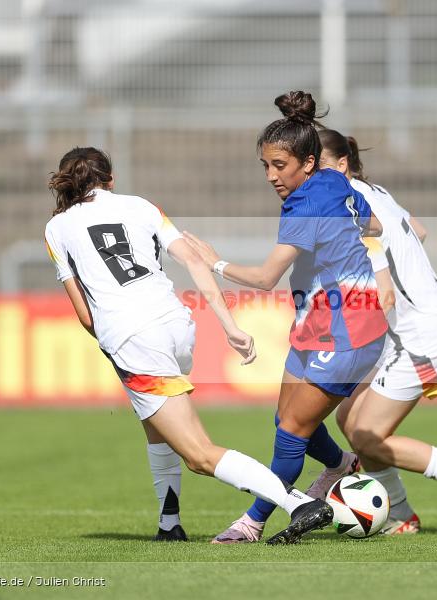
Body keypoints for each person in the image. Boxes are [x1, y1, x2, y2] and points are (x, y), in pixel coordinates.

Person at [43, 146, 332, 545]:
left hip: (133, 339)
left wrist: (117, 343)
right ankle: (168, 524)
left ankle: (294, 502)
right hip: (176, 326)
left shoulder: (56, 228)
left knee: (198, 454)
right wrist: (230, 327)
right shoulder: (143, 206)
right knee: (155, 427)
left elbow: (85, 315)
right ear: (111, 180)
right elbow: (195, 261)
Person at [182, 91, 388, 543]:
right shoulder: (336, 181)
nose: (272, 176)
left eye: (281, 165)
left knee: (293, 431)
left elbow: (265, 277)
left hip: (348, 331)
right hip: (319, 324)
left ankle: (253, 521)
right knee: (285, 422)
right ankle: (339, 466)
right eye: (266, 166)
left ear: (309, 163)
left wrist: (214, 263)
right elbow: (373, 225)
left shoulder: (305, 203)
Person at [313, 129, 437, 536]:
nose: (314, 177)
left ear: (341, 165)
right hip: (415, 327)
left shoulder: (349, 204)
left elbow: (380, 247)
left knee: (368, 435)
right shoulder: (372, 190)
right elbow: (418, 230)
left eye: (319, 166)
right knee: (349, 417)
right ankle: (400, 514)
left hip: (422, 333)